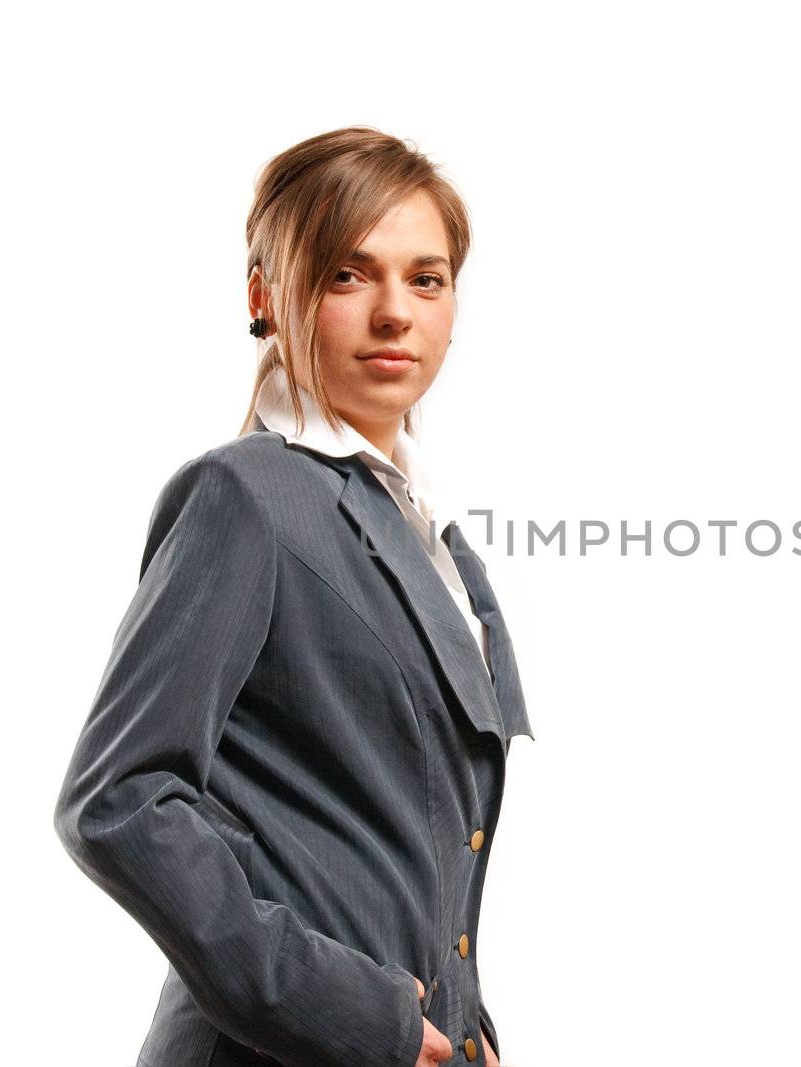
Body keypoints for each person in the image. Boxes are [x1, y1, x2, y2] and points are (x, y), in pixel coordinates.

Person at [53, 127, 534, 1067]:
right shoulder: (245, 496)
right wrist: (353, 1010)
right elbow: (118, 797)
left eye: (426, 279)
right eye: (349, 275)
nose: (396, 312)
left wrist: (462, 1026)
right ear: (265, 297)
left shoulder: (433, 535)